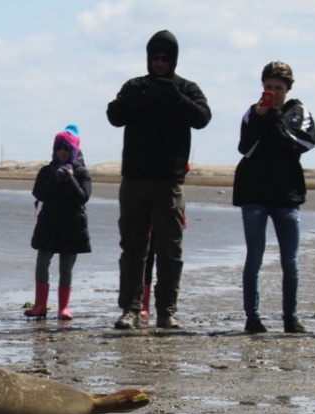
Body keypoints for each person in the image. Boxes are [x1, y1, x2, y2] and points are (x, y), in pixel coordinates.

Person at [106, 30, 211, 330]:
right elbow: (114, 115)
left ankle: (167, 310)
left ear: (173, 60)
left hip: (169, 181)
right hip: (135, 179)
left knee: (170, 248)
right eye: (156, 58)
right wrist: (136, 97)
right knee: (133, 247)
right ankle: (130, 308)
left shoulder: (185, 89)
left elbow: (203, 117)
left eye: (166, 58)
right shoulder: (135, 86)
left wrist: (175, 98)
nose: (160, 63)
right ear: (148, 58)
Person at [232, 61, 315, 334]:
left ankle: (290, 318)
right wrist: (260, 117)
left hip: (286, 194)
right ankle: (252, 318)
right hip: (254, 192)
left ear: (287, 88)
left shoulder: (298, 112)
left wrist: (272, 118)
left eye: (278, 88)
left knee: (290, 261)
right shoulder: (252, 113)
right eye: (268, 87)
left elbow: (297, 145)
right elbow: (245, 148)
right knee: (254, 257)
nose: (272, 92)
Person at [24, 125, 92, 321]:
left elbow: (82, 197)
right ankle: (39, 306)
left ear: (73, 150)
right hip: (48, 225)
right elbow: (39, 193)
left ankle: (64, 308)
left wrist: (69, 180)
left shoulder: (81, 173)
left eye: (66, 148)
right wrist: (55, 179)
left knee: (66, 269)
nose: (62, 152)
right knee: (42, 263)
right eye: (59, 148)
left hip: (72, 226)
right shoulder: (46, 171)